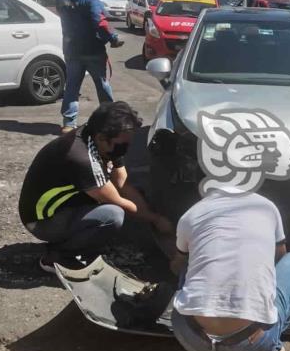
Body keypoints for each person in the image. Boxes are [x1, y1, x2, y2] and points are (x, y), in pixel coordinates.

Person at [169, 190, 290, 351]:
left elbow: (177, 266)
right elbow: (279, 258)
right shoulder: (266, 207)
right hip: (250, 344)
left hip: (189, 335)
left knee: (186, 266)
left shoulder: (191, 213)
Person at [18, 101, 173, 272]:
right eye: (122, 144)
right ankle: (59, 256)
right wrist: (157, 220)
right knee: (113, 216)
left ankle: (81, 240)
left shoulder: (102, 138)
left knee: (137, 195)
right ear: (101, 138)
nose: (126, 148)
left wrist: (152, 214)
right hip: (42, 220)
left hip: (67, 202)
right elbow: (120, 202)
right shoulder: (81, 157)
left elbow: (123, 183)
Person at [57, 0, 124, 133]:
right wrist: (113, 38)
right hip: (92, 50)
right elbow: (99, 23)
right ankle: (109, 120)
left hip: (71, 49)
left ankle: (68, 123)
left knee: (72, 85)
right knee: (102, 84)